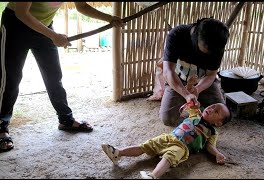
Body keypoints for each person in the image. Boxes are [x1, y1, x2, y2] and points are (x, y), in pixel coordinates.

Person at [0, 2, 123, 152]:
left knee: (54, 76)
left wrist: (109, 18)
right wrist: (53, 36)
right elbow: (22, 13)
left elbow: (82, 6)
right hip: (16, 25)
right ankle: (1, 126)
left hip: (43, 27)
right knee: (10, 79)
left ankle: (66, 119)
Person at [101, 102, 231, 179]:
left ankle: (153, 175)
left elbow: (210, 146)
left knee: (169, 157)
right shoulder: (196, 114)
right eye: (213, 106)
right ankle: (118, 153)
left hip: (182, 147)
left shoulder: (212, 132)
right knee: (146, 145)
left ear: (218, 123)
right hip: (168, 137)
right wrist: (191, 88)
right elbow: (190, 99)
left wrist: (217, 154)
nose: (211, 108)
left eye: (216, 111)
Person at [159, 17, 230, 126]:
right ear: (196, 36)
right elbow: (168, 71)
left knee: (222, 113)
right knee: (168, 119)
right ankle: (193, 115)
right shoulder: (177, 35)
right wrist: (186, 94)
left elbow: (211, 75)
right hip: (178, 80)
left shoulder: (217, 44)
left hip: (204, 82)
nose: (209, 54)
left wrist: (197, 89)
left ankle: (199, 107)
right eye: (206, 50)